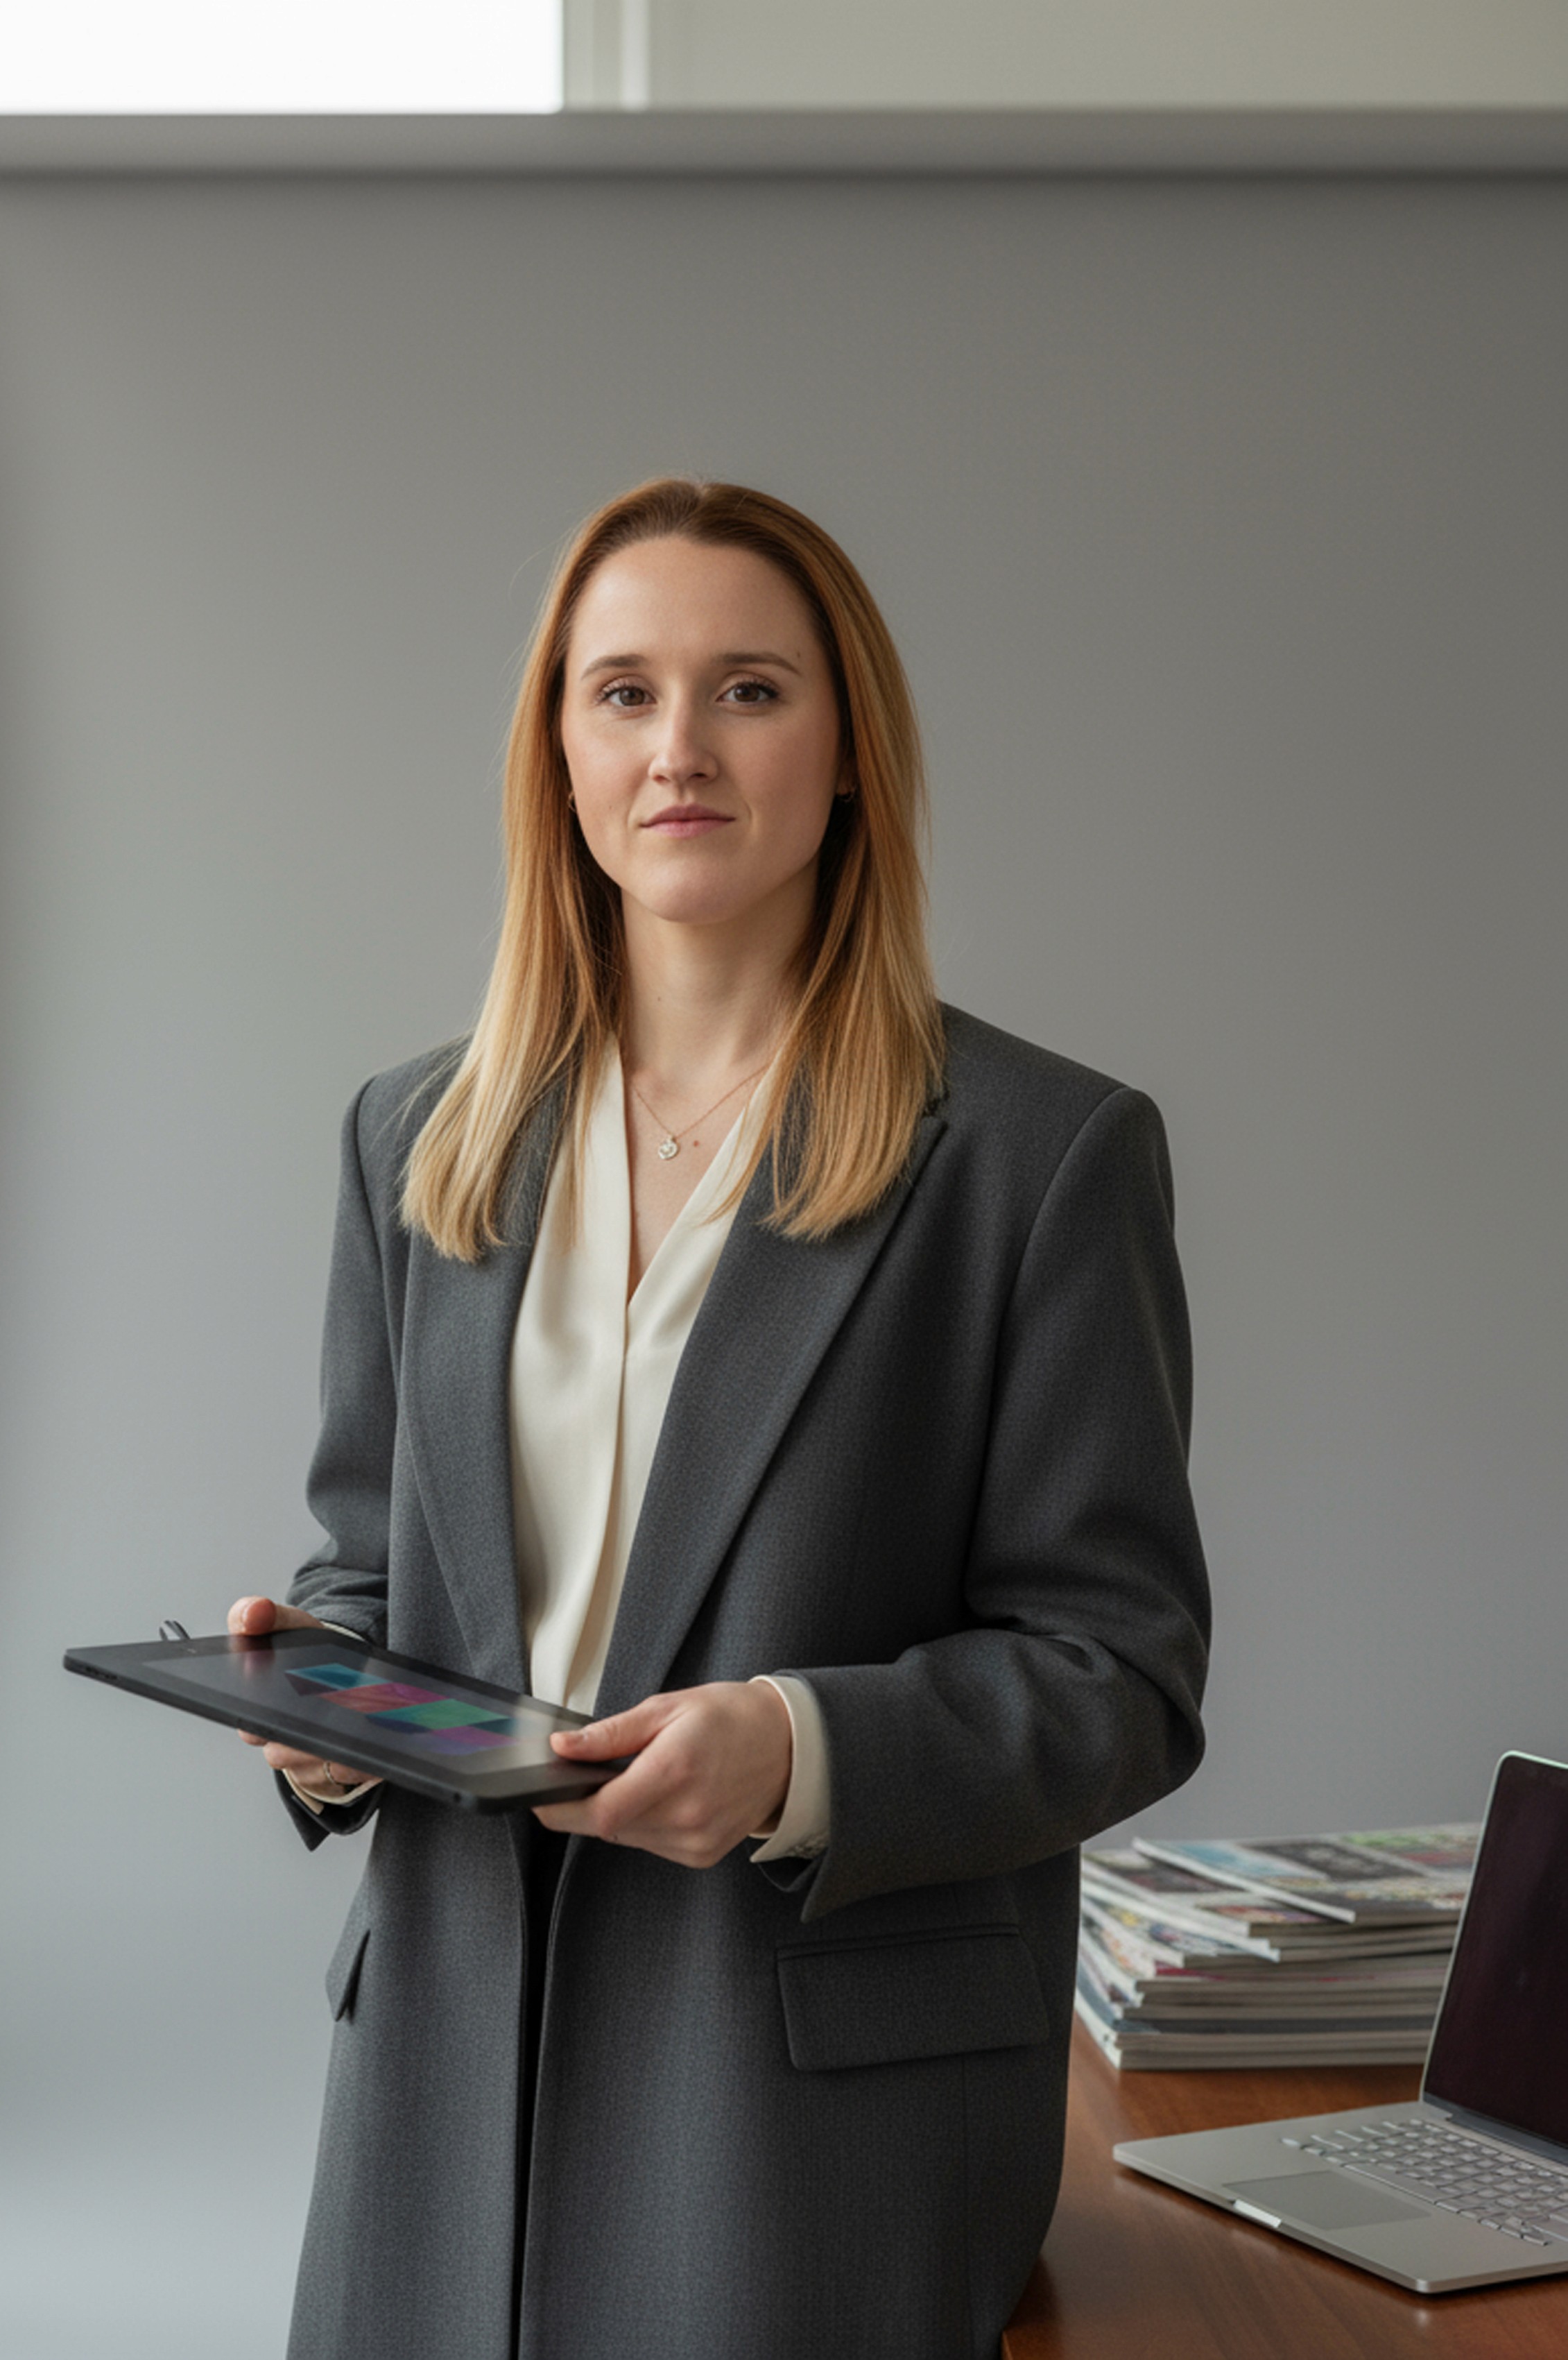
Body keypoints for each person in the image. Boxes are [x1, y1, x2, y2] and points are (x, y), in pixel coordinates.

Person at [227, 478, 1209, 2360]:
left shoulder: (1038, 1156)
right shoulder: (414, 1137)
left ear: (848, 754)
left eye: (749, 689)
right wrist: (321, 1710)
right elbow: (366, 1568)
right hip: (442, 2075)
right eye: (622, 693)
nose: (678, 746)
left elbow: (1122, 1672)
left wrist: (796, 1744)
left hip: (804, 2115)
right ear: (559, 755)